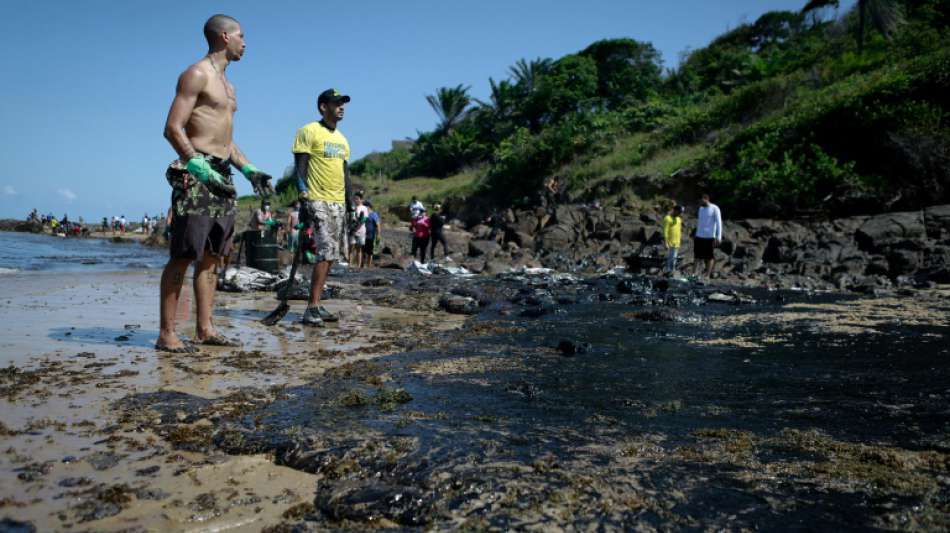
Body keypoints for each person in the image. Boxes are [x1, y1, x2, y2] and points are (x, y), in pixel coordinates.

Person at [157, 14, 275, 353]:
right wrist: (196, 164)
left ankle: (205, 329)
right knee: (183, 254)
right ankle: (167, 334)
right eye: (241, 35)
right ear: (224, 36)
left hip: (223, 175)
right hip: (196, 174)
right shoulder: (196, 74)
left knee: (212, 257)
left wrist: (250, 170)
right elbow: (173, 128)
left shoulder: (229, 86)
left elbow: (225, 141)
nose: (245, 42)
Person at [293, 88, 352, 326]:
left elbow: (345, 172)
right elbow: (300, 167)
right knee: (326, 250)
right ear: (323, 107)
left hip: (338, 202)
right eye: (336, 103)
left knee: (332, 255)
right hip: (317, 198)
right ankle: (311, 307)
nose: (341, 107)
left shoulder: (343, 139)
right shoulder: (309, 131)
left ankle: (317, 303)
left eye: (343, 103)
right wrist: (303, 196)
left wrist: (349, 205)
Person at [692, 194, 722, 280]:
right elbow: (700, 222)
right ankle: (693, 274)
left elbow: (719, 222)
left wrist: (718, 236)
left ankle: (707, 275)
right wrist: (696, 234)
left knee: (709, 256)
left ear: (706, 199)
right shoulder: (701, 209)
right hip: (699, 236)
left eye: (701, 201)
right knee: (696, 256)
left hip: (709, 237)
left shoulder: (715, 208)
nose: (699, 203)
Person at [349, 193, 369, 268]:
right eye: (355, 199)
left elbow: (364, 219)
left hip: (361, 231)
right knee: (351, 247)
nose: (356, 200)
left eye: (357, 199)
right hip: (352, 230)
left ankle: (358, 265)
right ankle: (350, 264)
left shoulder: (364, 208)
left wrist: (357, 225)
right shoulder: (352, 207)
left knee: (359, 248)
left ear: (361, 199)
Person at [662, 204, 683, 275]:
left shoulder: (679, 219)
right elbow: (665, 231)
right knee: (669, 259)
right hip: (669, 243)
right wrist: (665, 242)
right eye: (679, 212)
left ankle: (671, 272)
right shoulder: (667, 218)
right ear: (675, 210)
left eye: (681, 212)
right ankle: (667, 272)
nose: (680, 214)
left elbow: (679, 230)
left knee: (674, 259)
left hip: (676, 243)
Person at [362, 200, 380, 268]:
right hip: (363, 235)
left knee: (370, 252)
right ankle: (362, 265)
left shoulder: (374, 214)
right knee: (363, 251)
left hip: (371, 236)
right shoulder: (364, 214)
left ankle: (368, 265)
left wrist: (378, 235)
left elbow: (378, 225)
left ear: (368, 207)